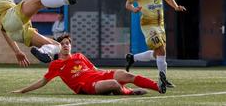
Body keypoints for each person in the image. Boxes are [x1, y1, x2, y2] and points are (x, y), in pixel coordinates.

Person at [12, 34, 167, 95]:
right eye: (63, 44)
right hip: (86, 85)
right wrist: (22, 90)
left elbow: (94, 69)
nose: (66, 45)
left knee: (125, 74)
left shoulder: (79, 56)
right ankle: (129, 92)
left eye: (68, 43)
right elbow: (43, 82)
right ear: (58, 47)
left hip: (98, 75)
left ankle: (158, 87)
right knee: (113, 83)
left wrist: (109, 72)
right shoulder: (56, 65)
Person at [125, 0, 186, 88]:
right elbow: (128, 4)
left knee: (157, 53)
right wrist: (134, 9)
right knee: (161, 49)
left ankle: (133, 58)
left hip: (160, 24)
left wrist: (176, 7)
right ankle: (162, 79)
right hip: (148, 24)